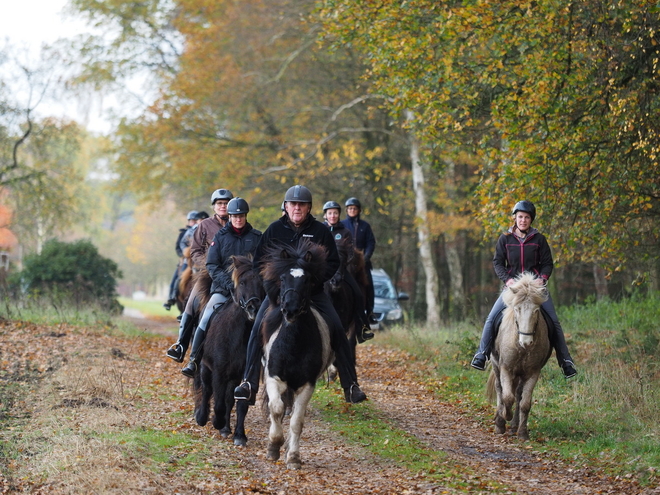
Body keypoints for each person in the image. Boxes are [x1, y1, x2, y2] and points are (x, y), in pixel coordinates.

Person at [234, 186, 368, 404]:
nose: (297, 208)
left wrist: (314, 282)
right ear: (286, 207)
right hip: (278, 293)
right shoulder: (274, 230)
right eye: (293, 204)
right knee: (257, 328)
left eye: (301, 204)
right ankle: (248, 382)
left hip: (313, 293)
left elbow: (333, 262)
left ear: (308, 208)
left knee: (336, 327)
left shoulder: (320, 231)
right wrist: (273, 289)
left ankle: (350, 384)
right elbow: (259, 262)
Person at [470, 200, 577, 378]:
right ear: (515, 218)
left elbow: (547, 263)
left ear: (531, 220)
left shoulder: (539, 239)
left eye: (527, 217)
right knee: (491, 318)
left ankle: (565, 361)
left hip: (535, 289)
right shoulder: (505, 238)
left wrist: (541, 279)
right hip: (513, 289)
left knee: (554, 322)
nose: (523, 220)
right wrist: (508, 280)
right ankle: (482, 354)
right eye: (520, 217)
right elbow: (498, 263)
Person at [181, 197, 262, 377]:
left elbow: (262, 264)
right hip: (224, 289)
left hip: (251, 291)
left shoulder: (257, 237)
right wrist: (229, 284)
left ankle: (265, 362)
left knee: (268, 317)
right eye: (235, 216)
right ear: (230, 217)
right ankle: (194, 358)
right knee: (206, 316)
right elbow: (212, 265)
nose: (238, 219)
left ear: (246, 216)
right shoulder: (220, 237)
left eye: (241, 216)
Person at [166, 189, 233, 363]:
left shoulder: (237, 222)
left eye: (226, 203)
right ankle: (181, 345)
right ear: (214, 206)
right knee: (191, 303)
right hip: (207, 275)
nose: (223, 206)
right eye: (219, 203)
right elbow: (195, 251)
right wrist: (209, 265)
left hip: (233, 275)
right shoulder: (204, 225)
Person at [322, 200, 374, 343]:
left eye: (335, 213)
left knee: (357, 293)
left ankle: (362, 329)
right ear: (325, 215)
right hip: (324, 272)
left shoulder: (345, 232)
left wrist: (342, 264)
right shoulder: (321, 230)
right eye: (330, 213)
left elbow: (350, 254)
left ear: (339, 215)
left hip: (341, 271)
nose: (333, 216)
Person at [341, 197, 377, 323]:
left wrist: (365, 257)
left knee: (369, 285)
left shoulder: (365, 226)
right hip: (346, 261)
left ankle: (370, 311)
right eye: (350, 208)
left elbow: (371, 243)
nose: (352, 210)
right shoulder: (342, 225)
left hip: (362, 261)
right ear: (346, 210)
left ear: (359, 210)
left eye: (354, 208)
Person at [163, 210, 197, 310]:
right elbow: (178, 248)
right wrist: (184, 254)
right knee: (177, 278)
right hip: (186, 261)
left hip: (199, 261)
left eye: (195, 220)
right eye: (192, 221)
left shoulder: (202, 230)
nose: (194, 222)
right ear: (188, 221)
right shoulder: (183, 234)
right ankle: (171, 297)